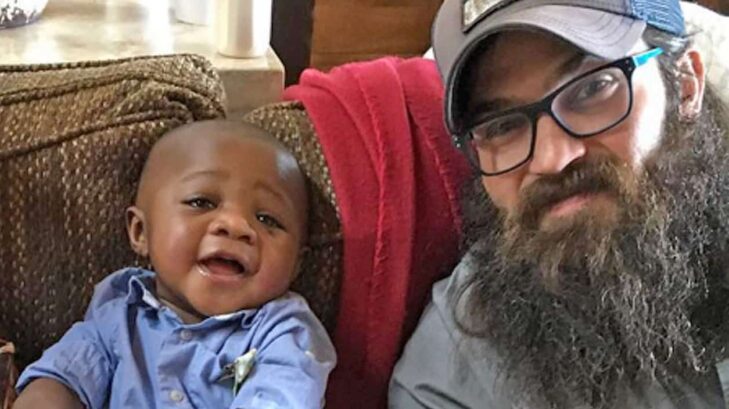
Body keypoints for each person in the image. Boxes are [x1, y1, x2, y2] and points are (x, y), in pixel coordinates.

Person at [390, 0, 729, 408]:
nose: (551, 159)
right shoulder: (457, 373)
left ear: (686, 85)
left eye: (592, 88)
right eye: (502, 125)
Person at [13, 120, 336, 409]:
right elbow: (61, 378)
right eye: (201, 202)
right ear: (141, 231)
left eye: (267, 219)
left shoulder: (284, 332)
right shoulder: (118, 315)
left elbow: (283, 392)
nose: (236, 225)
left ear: (296, 263)